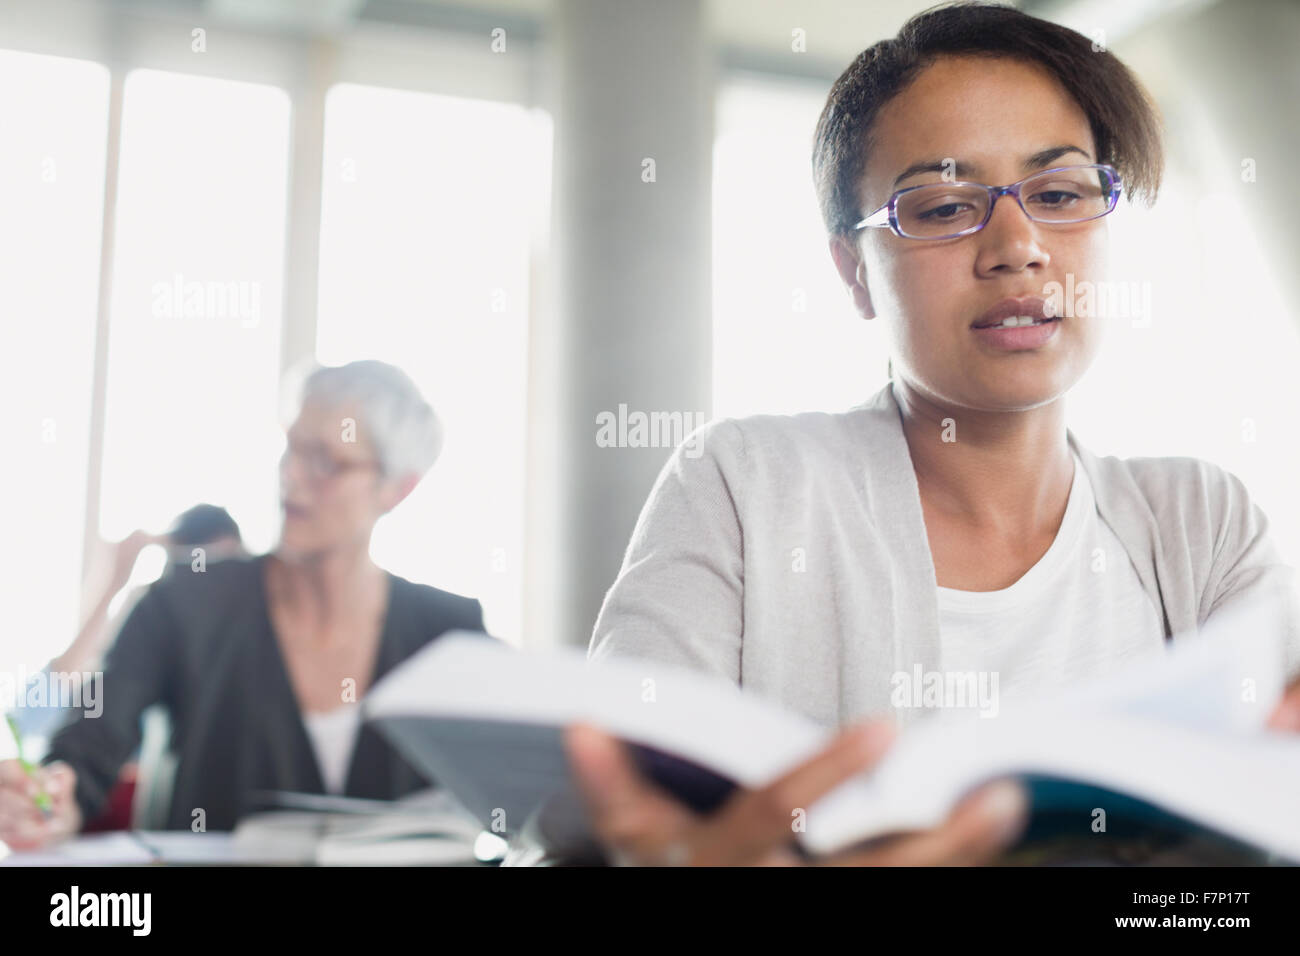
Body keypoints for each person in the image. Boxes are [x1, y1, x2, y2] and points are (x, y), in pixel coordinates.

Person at [560, 2, 1300, 866]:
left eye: (1060, 194)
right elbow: (614, 818)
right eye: (946, 208)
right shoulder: (741, 487)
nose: (1017, 247)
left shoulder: (1201, 521)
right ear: (855, 274)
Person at [0, 359, 486, 850]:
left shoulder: (448, 634)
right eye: (290, 449)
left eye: (324, 461)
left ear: (398, 488)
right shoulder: (182, 604)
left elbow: (513, 789)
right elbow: (87, 747)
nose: (292, 477)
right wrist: (51, 801)